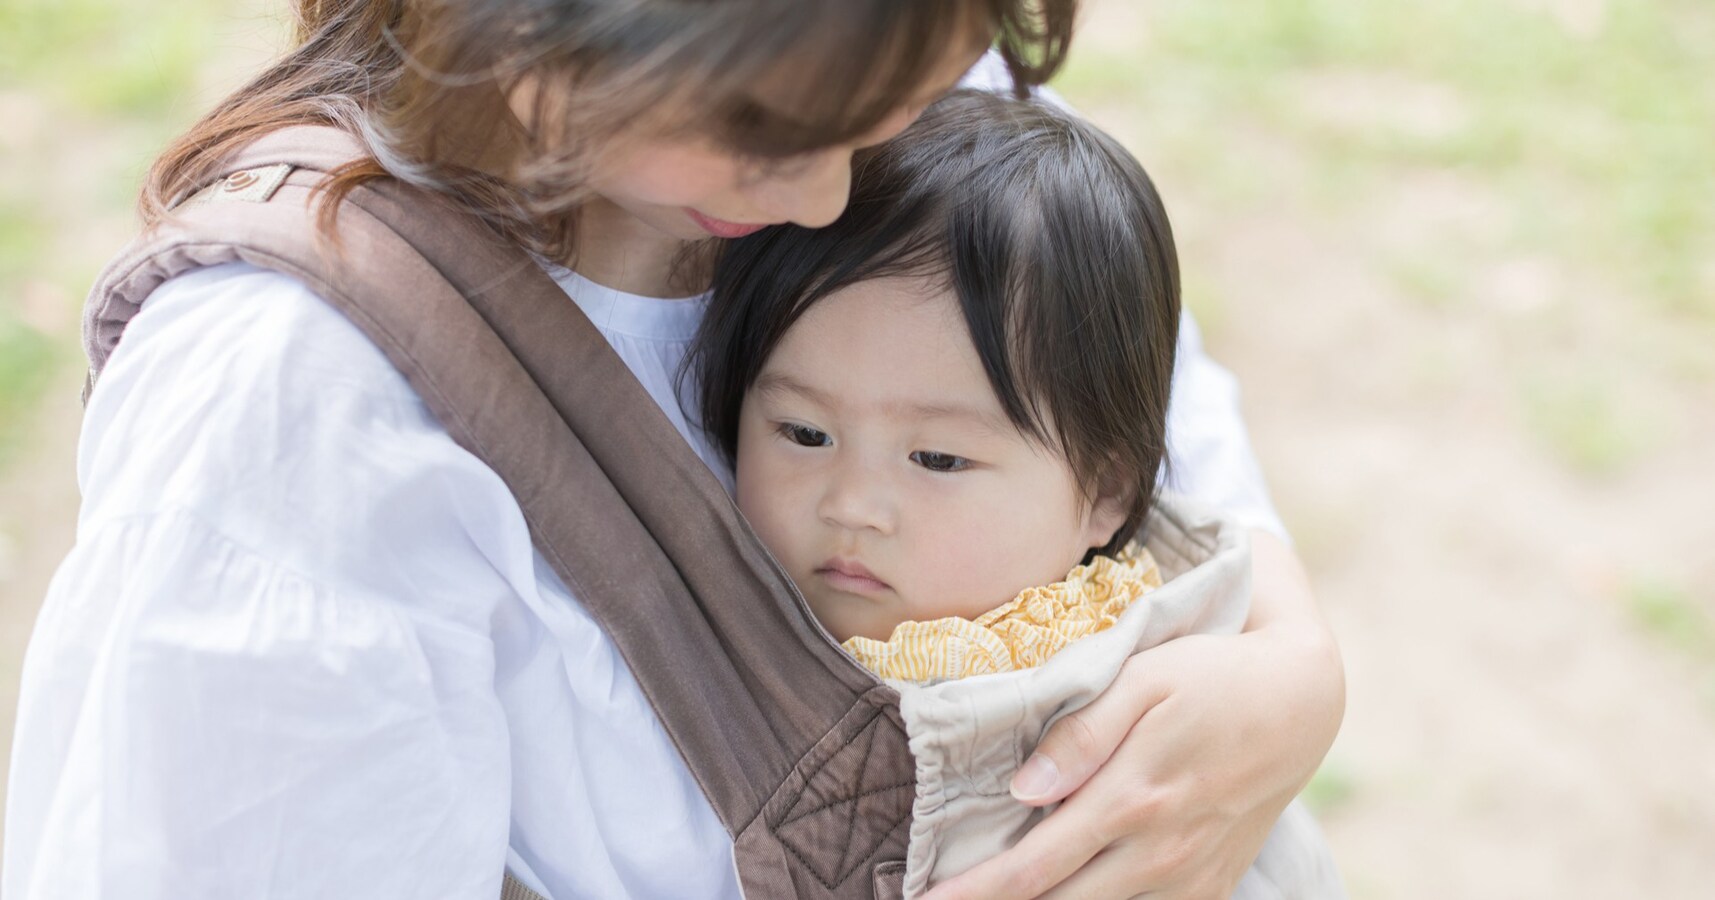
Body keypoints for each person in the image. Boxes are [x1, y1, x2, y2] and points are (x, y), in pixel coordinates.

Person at [4, 2, 1344, 899]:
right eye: (764, 128)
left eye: (899, 99)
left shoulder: (849, 47)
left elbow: (1129, 383)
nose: (829, 191)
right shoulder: (297, 416)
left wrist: (1287, 668)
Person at [690, 89, 1344, 897]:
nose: (851, 503)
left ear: (1105, 492)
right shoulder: (709, 628)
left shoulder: (1152, 693)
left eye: (934, 458)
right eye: (803, 434)